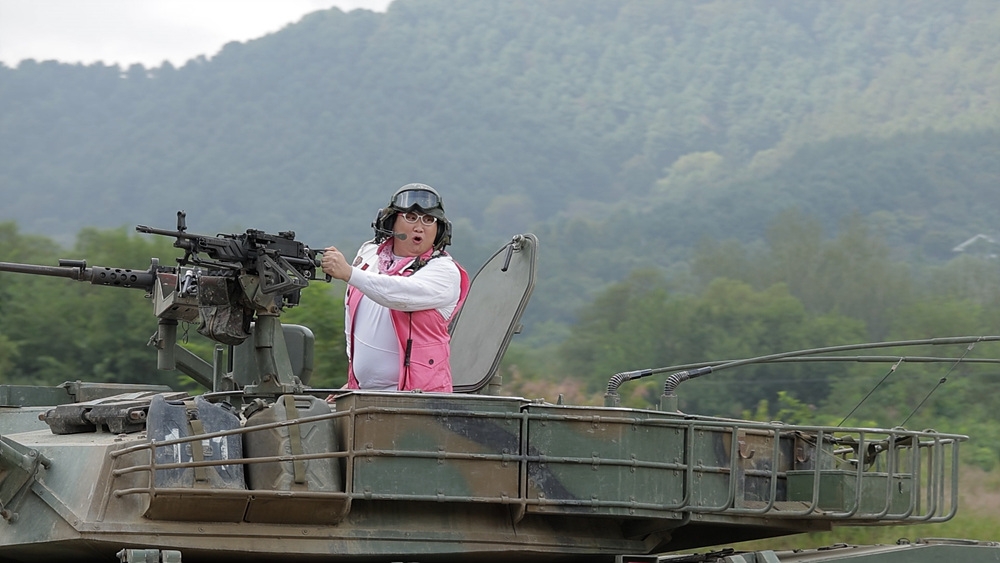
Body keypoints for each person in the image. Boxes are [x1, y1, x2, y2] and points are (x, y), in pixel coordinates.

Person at [321, 183, 470, 393]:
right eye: (410, 217)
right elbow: (352, 318)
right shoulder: (369, 254)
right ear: (392, 221)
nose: (420, 227)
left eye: (429, 220)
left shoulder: (444, 271)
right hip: (364, 394)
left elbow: (399, 294)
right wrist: (355, 378)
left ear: (439, 230)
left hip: (419, 401)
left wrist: (349, 273)